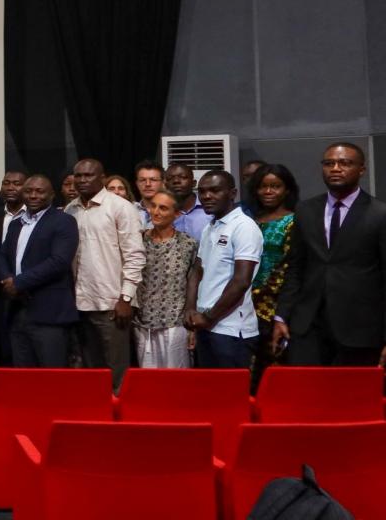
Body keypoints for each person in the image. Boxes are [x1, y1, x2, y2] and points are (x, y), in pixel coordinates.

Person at [273, 143, 386, 366]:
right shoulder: (306, 210)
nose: (335, 168)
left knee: (352, 398)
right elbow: (296, 267)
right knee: (307, 396)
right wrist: (281, 316)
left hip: (360, 329)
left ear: (361, 170)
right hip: (308, 326)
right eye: (329, 163)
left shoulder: (379, 214)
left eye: (345, 163)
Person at [65, 158, 145, 390]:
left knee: (116, 370)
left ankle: (119, 420)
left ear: (102, 178)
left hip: (112, 302)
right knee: (90, 369)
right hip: (79, 302)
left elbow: (135, 256)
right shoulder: (71, 209)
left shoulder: (121, 207)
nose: (81, 180)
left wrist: (126, 298)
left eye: (88, 175)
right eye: (78, 176)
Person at [0, 175, 79, 368]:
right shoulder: (16, 223)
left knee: (52, 379)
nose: (33, 195)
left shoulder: (64, 221)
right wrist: (7, 279)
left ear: (51, 195)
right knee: (24, 378)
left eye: (40, 191)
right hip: (17, 311)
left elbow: (58, 262)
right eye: (28, 191)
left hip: (49, 313)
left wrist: (19, 282)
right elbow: (1, 256)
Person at [185, 171, 263, 369]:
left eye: (215, 190)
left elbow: (241, 281)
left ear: (233, 193)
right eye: (202, 192)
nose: (206, 196)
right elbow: (197, 271)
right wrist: (191, 309)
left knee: (232, 395)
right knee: (211, 394)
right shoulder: (210, 227)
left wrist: (208, 318)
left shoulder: (244, 227)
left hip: (231, 330)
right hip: (205, 325)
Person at [133, 190, 196, 368]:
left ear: (176, 214)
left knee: (176, 382)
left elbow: (193, 283)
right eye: (153, 206)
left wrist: (192, 326)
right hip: (143, 323)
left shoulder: (188, 244)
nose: (156, 212)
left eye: (163, 208)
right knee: (149, 383)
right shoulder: (138, 240)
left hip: (175, 323)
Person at [247, 164, 298, 383]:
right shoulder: (249, 220)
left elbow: (290, 267)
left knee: (275, 366)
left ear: (287, 190)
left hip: (275, 305)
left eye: (275, 186)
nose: (268, 192)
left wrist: (260, 294)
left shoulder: (294, 221)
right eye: (263, 187)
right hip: (243, 303)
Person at [165, 163, 208, 241]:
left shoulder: (208, 207)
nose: (176, 181)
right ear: (166, 185)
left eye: (183, 177)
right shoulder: (162, 211)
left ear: (194, 183)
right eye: (170, 178)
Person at [133, 160, 165, 228]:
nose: (148, 184)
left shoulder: (171, 211)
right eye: (143, 180)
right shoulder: (129, 210)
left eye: (153, 180)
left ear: (163, 183)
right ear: (137, 184)